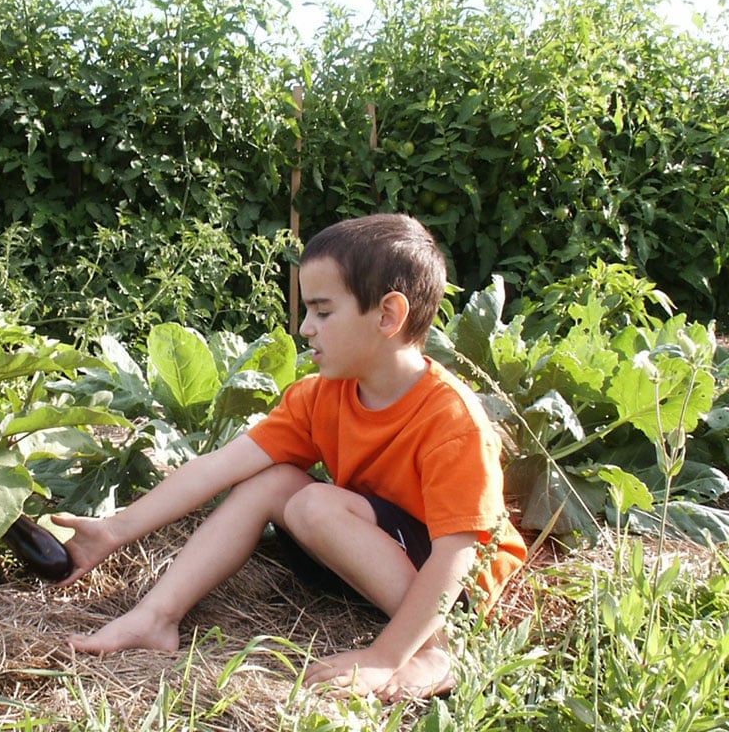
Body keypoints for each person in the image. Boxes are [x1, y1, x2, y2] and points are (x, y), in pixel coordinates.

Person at [52, 213, 527, 701]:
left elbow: (458, 555)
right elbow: (217, 467)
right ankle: (156, 616)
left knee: (313, 503)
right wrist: (114, 530)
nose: (305, 329)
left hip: (455, 593)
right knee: (272, 480)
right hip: (373, 556)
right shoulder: (320, 397)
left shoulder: (452, 418)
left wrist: (386, 657)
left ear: (388, 315)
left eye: (323, 312)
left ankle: (437, 651)